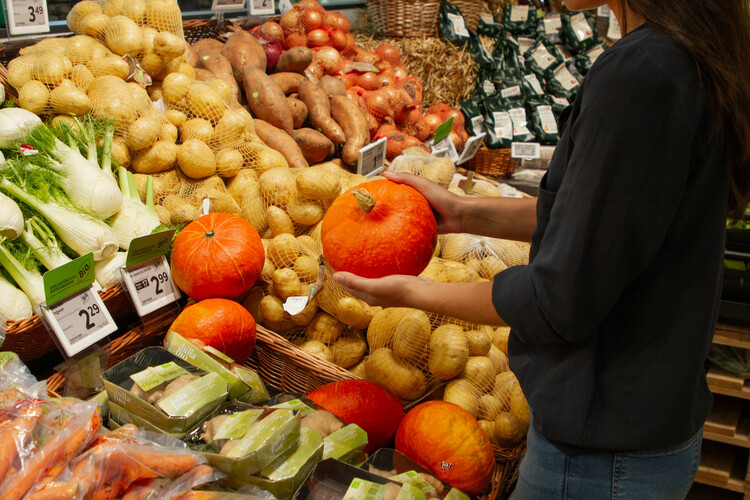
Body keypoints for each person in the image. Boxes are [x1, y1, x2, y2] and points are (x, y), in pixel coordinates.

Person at [333, 0, 750, 498]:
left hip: (601, 456)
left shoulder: (642, 73)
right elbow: (599, 221)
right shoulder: (684, 53)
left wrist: (411, 292)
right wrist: (465, 211)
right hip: (640, 426)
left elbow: (559, 299)